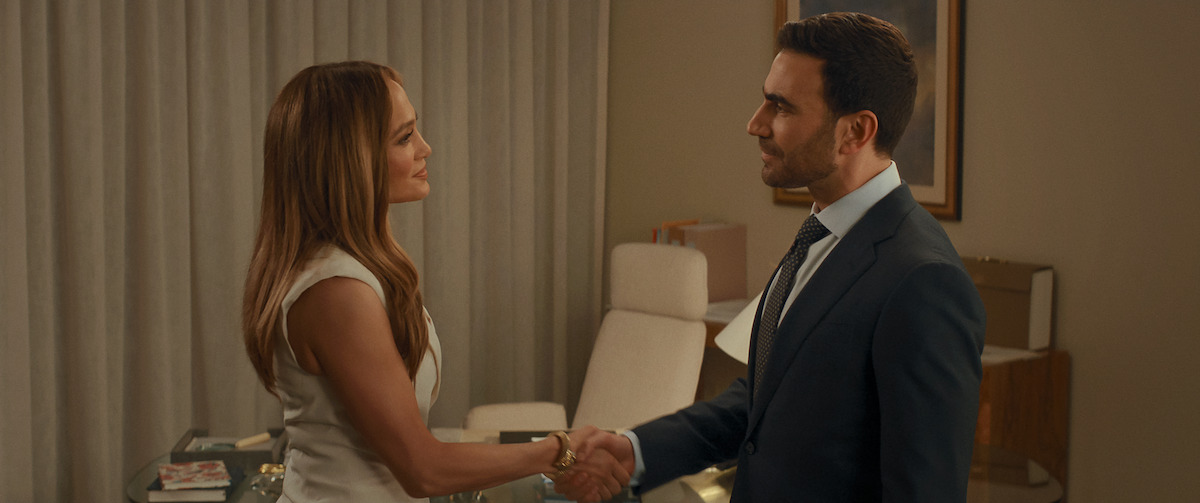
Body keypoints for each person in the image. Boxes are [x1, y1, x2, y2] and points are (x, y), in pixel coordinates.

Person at [558, 12, 986, 502]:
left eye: (780, 107)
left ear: (856, 131)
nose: (754, 123)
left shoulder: (923, 281)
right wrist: (636, 450)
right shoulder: (821, 233)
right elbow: (768, 401)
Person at [242, 61, 627, 502]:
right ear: (352, 159)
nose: (426, 148)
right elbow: (423, 469)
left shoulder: (354, 271)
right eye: (405, 137)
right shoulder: (337, 292)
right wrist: (559, 451)